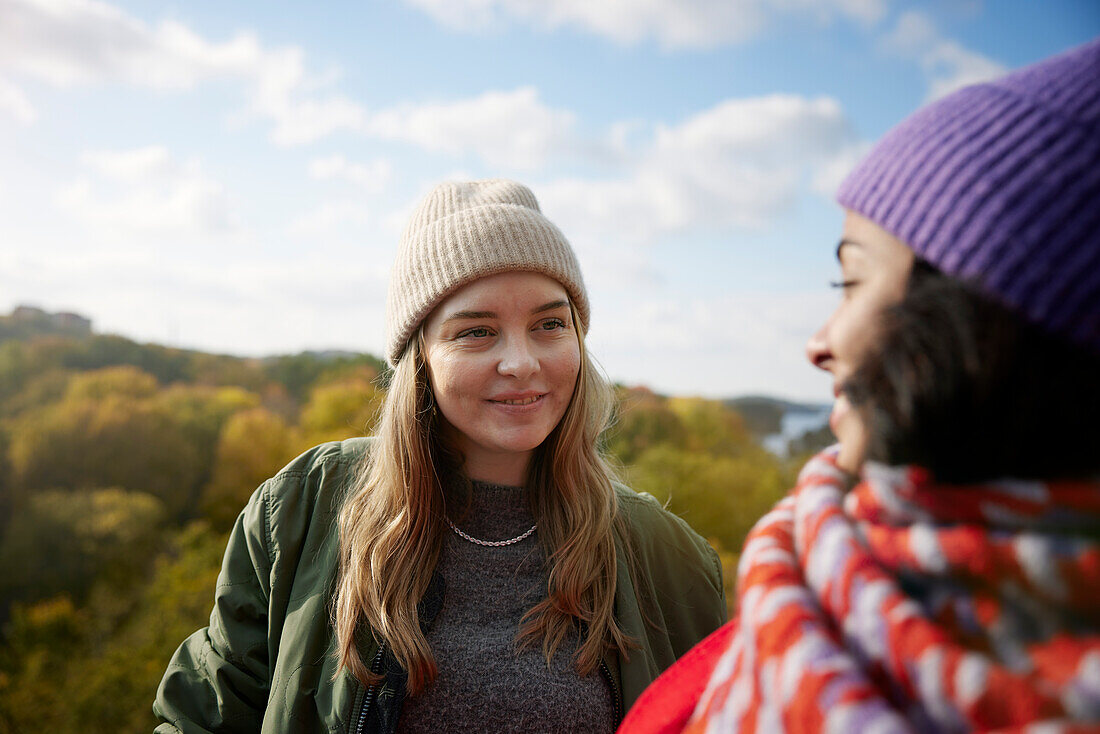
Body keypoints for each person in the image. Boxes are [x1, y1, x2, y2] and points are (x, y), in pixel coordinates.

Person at [619, 38, 1100, 733]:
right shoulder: (812, 555)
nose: (818, 343)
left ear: (985, 322)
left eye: (853, 281)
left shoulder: (800, 591)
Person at [153, 179, 726, 733]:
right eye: (476, 332)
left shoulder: (669, 557)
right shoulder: (302, 510)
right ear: (419, 356)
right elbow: (207, 717)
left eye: (550, 324)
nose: (521, 362)